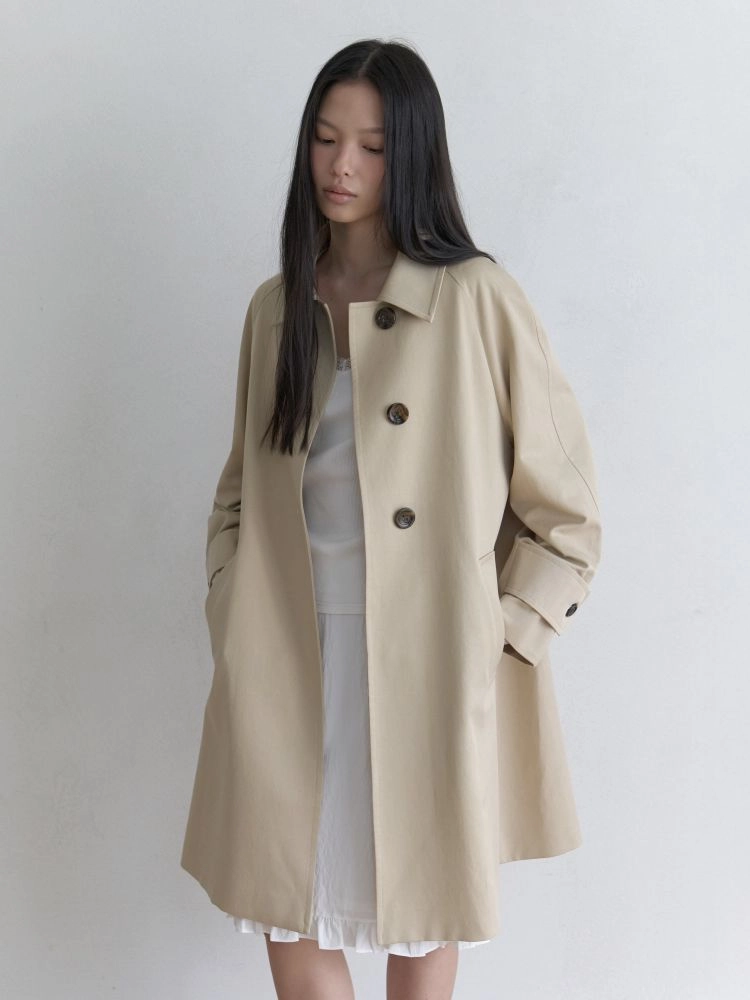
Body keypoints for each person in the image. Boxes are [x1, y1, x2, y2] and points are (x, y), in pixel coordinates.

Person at [181, 38, 602, 1000]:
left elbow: (569, 512)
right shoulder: (275, 310)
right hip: (287, 654)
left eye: (371, 147)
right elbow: (237, 494)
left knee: (421, 911)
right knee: (287, 904)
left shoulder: (477, 299)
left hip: (430, 657)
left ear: (410, 155)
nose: (342, 166)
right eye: (325, 139)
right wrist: (232, 610)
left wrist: (499, 638)